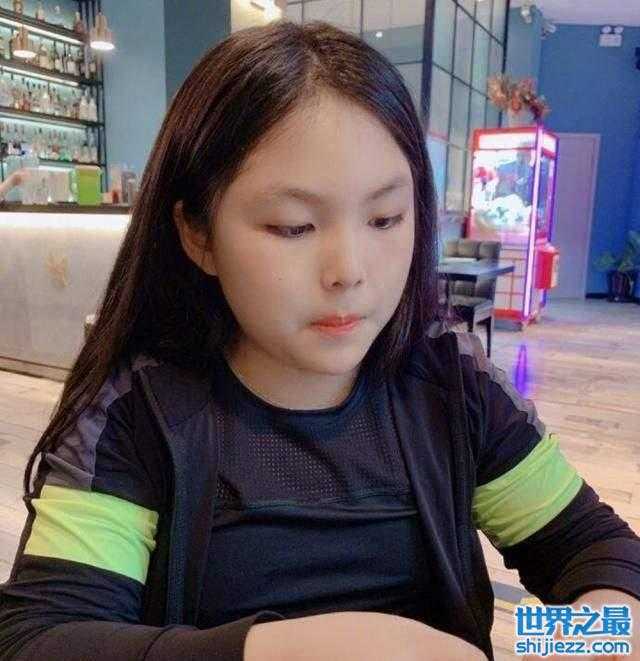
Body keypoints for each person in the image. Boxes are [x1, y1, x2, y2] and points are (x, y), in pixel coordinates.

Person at [0, 20, 638, 661]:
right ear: (198, 234)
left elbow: (601, 556)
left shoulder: (452, 387)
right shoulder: (137, 418)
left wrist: (563, 644)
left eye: (385, 218)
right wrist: (292, 649)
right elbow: (39, 639)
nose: (349, 271)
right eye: (293, 226)